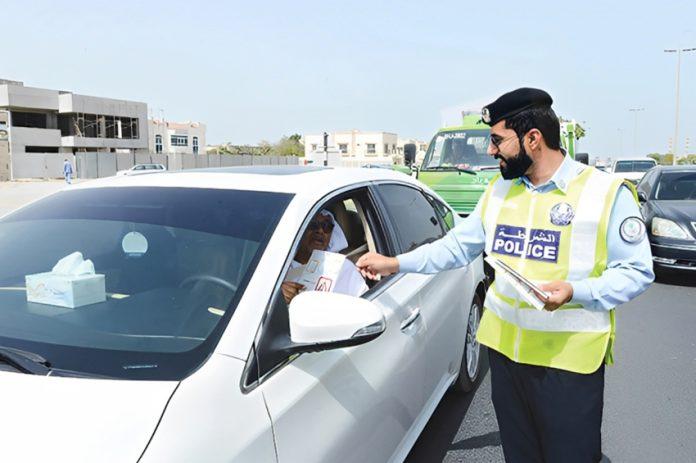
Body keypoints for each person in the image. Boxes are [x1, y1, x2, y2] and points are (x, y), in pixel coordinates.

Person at [357, 88, 654, 462]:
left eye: (497, 141)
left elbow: (637, 271)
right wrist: (395, 263)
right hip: (507, 359)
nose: (492, 151)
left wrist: (576, 291)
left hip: (568, 365)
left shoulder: (604, 192)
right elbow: (457, 247)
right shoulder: (499, 190)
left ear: (533, 139)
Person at [281, 209, 368, 304]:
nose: (320, 231)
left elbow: (365, 305)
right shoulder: (276, 267)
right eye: (313, 225)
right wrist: (278, 297)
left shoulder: (343, 268)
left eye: (327, 226)